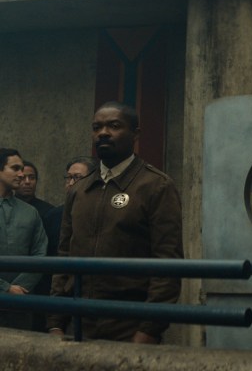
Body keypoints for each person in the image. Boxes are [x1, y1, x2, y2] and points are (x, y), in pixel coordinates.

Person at [48, 102, 184, 343]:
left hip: (129, 324)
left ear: (135, 134)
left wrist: (149, 330)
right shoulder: (79, 190)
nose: (103, 133)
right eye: (97, 127)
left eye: (114, 126)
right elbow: (64, 257)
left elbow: (167, 264)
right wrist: (55, 324)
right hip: (78, 323)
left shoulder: (156, 186)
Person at [31, 156, 97, 332]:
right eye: (68, 177)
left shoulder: (101, 213)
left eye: (77, 178)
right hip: (58, 294)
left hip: (92, 297)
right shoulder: (52, 216)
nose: (70, 183)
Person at [0, 148, 48, 330]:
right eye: (15, 168)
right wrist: (5, 288)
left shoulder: (30, 212)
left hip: (21, 303)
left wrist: (20, 287)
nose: (21, 174)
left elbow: (40, 253)